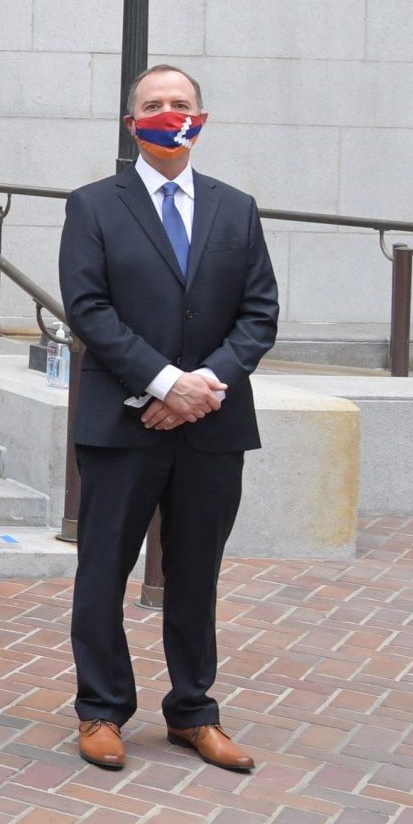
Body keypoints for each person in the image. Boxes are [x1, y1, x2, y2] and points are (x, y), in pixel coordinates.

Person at [60, 65, 277, 776]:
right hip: (123, 424)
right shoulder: (94, 206)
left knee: (195, 574)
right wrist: (160, 382)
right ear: (131, 124)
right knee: (103, 573)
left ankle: (193, 710)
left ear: (201, 119)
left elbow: (259, 313)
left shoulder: (236, 208)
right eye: (152, 106)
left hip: (212, 425)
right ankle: (101, 710)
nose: (167, 114)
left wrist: (200, 386)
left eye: (179, 105)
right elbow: (89, 308)